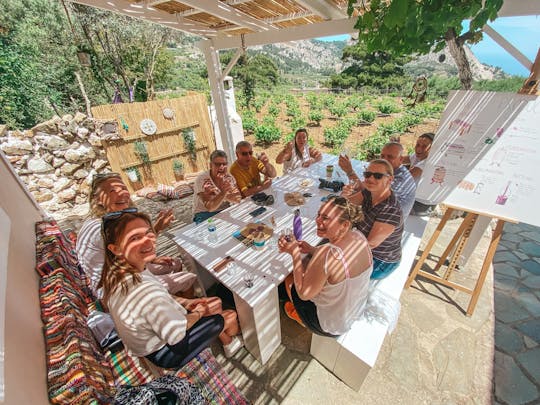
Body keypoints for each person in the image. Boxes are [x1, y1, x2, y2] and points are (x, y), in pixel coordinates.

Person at [100, 210, 243, 367]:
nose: (148, 242)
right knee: (229, 315)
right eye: (135, 238)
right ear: (115, 249)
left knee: (214, 302)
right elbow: (176, 335)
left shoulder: (120, 272)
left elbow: (161, 294)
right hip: (165, 351)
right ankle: (230, 343)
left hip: (148, 338)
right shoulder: (145, 292)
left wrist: (187, 303)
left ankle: (222, 335)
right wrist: (198, 312)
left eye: (148, 233)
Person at [76, 173, 196, 297]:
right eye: (112, 191)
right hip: (118, 286)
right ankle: (185, 311)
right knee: (188, 278)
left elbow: (133, 247)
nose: (121, 193)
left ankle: (175, 304)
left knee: (175, 264)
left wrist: (157, 232)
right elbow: (130, 261)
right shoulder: (101, 228)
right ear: (98, 199)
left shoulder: (112, 219)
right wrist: (151, 258)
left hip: (126, 268)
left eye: (123, 188)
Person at [277, 196, 373, 336]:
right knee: (308, 262)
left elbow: (304, 294)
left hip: (329, 325)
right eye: (319, 215)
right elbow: (339, 263)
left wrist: (295, 254)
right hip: (351, 314)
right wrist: (311, 250)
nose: (318, 220)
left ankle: (303, 319)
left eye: (326, 218)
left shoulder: (327, 253)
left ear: (344, 225)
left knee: (289, 278)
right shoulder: (359, 237)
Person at [342, 159, 404, 280]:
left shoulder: (390, 209)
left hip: (380, 261)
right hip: (361, 245)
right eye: (367, 174)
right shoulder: (370, 192)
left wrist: (337, 249)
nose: (370, 179)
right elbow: (346, 205)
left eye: (378, 176)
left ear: (390, 179)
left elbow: (370, 244)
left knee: (330, 268)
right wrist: (344, 196)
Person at [339, 142, 416, 219]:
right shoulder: (389, 171)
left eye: (390, 157)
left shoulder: (400, 179)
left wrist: (349, 172)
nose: (384, 159)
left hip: (387, 220)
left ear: (401, 159)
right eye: (382, 156)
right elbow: (365, 189)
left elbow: (369, 193)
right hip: (379, 211)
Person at [192, 150, 241, 224]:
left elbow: (238, 199)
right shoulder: (202, 179)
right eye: (217, 164)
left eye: (224, 164)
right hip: (204, 214)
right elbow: (210, 207)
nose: (221, 167)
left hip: (224, 211)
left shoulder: (229, 178)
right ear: (210, 165)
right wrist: (223, 192)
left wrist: (223, 193)